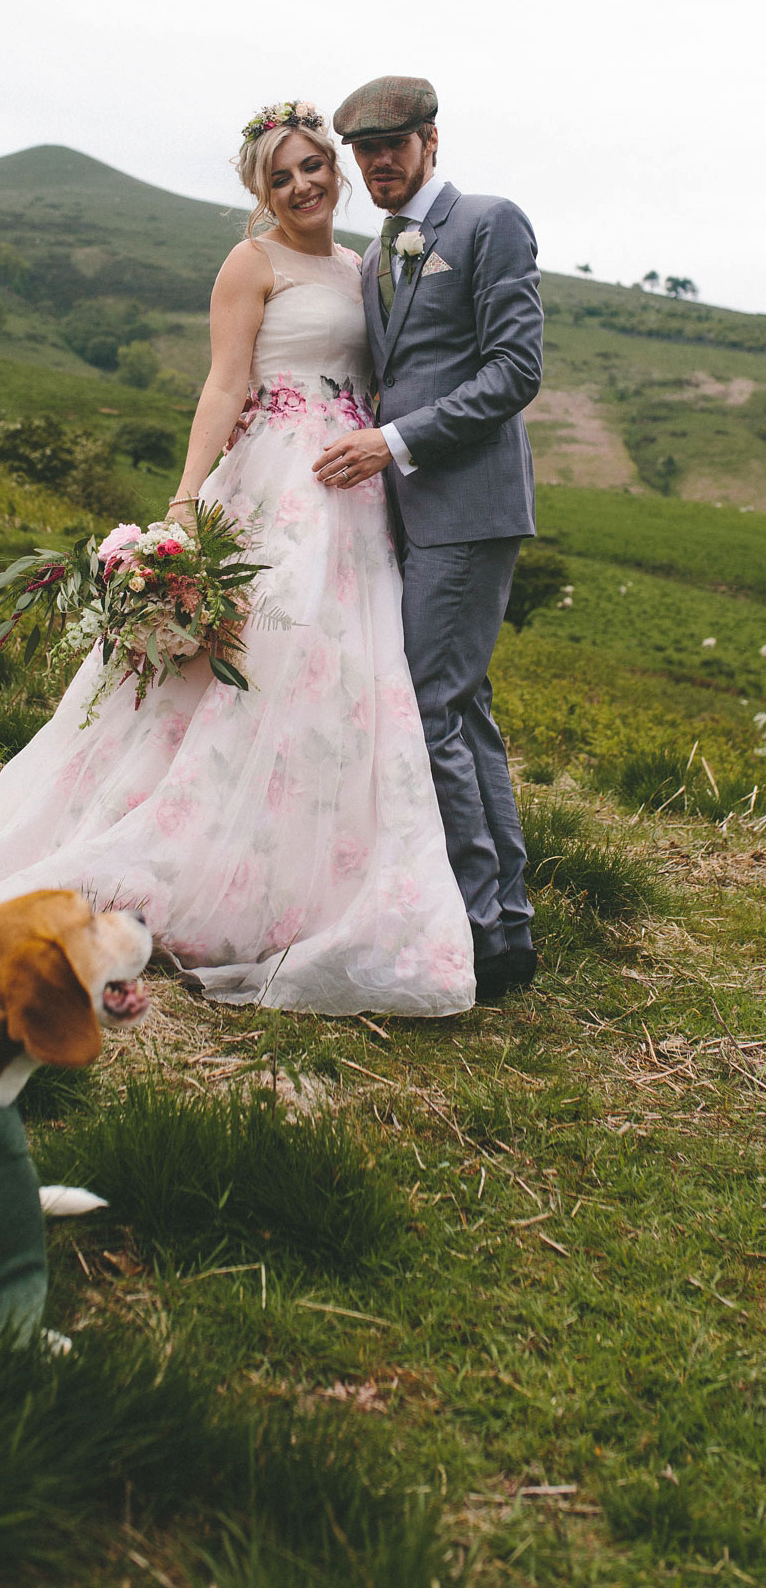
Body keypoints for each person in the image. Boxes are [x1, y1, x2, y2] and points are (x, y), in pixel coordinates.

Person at [0, 101, 474, 1018]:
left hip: (348, 496)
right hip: (268, 482)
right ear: (261, 191)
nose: (302, 184)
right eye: (282, 175)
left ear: (337, 172)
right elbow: (225, 381)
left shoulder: (361, 264)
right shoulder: (250, 263)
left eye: (313, 167)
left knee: (335, 678)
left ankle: (297, 877)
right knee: (242, 668)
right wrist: (186, 501)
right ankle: (169, 851)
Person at [312, 76, 541, 998]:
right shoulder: (376, 255)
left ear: (430, 140)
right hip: (408, 510)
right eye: (364, 152)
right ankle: (506, 925)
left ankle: (480, 931)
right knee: (459, 701)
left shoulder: (490, 223)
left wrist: (395, 441)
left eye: (392, 147)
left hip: (470, 504)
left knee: (433, 704)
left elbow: (514, 370)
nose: (377, 164)